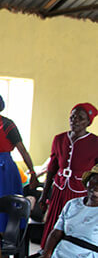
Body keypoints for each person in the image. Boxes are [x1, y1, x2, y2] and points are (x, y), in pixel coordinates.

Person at [39, 103, 98, 248]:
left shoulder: (95, 143)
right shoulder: (59, 139)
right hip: (59, 189)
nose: (75, 120)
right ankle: (47, 254)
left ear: (88, 122)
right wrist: (44, 194)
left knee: (73, 224)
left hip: (79, 191)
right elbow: (52, 169)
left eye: (80, 118)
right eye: (72, 117)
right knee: (54, 223)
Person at [0, 91, 38, 232]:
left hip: (3, 169)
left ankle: (6, 235)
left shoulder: (7, 124)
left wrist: (32, 171)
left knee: (4, 202)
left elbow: (22, 150)